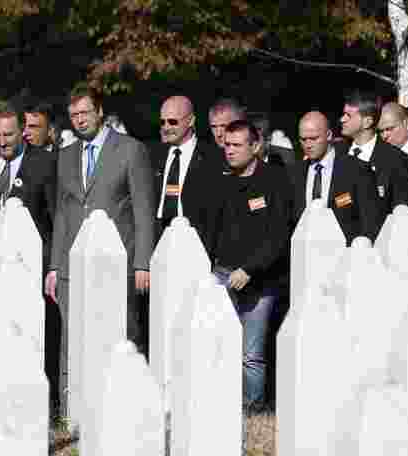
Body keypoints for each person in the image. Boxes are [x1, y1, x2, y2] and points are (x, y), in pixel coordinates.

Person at [47, 83, 156, 411]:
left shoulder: (130, 150)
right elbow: (63, 214)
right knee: (72, 339)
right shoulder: (65, 156)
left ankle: (132, 406)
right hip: (72, 264)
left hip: (117, 261)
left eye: (85, 113)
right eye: (73, 115)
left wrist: (143, 263)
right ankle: (71, 413)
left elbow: (143, 210)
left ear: (100, 112)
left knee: (124, 333)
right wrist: (54, 266)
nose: (79, 120)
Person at [0, 99, 60, 414]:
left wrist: (52, 266)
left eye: (9, 134)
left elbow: (53, 219)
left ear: (22, 130)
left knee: (28, 336)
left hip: (30, 267)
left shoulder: (44, 163)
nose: (3, 142)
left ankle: (36, 405)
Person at [206, 120, 292, 413]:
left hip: (260, 281)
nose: (228, 151)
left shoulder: (275, 181)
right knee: (218, 346)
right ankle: (221, 405)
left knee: (251, 354)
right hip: (221, 274)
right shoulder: (220, 180)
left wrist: (251, 269)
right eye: (226, 145)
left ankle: (253, 410)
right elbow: (211, 230)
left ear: (255, 147)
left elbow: (279, 236)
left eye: (236, 145)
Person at [290, 111, 379, 242]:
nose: (308, 145)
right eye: (303, 139)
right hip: (305, 254)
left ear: (329, 135)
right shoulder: (294, 173)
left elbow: (370, 221)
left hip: (346, 253)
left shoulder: (356, 170)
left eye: (314, 138)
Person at [151, 95, 222, 238]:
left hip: (195, 236)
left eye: (172, 122)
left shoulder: (213, 157)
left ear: (191, 121)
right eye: (162, 122)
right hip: (159, 235)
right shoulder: (153, 155)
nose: (166, 127)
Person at [339, 91, 408, 223]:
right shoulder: (338, 154)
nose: (342, 119)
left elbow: (401, 209)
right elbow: (335, 199)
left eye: (348, 115)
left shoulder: (396, 159)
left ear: (367, 122)